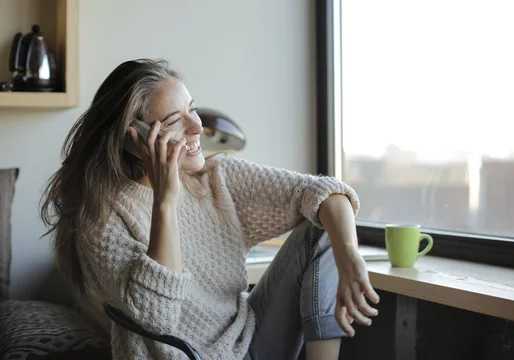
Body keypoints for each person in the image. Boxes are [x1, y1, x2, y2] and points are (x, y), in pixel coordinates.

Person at [41, 59, 379, 360]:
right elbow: (156, 318)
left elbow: (324, 192)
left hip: (251, 343)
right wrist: (166, 200)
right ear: (135, 139)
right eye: (175, 120)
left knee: (321, 224)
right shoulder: (100, 217)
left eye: (193, 109)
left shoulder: (217, 177)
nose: (197, 128)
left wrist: (348, 253)